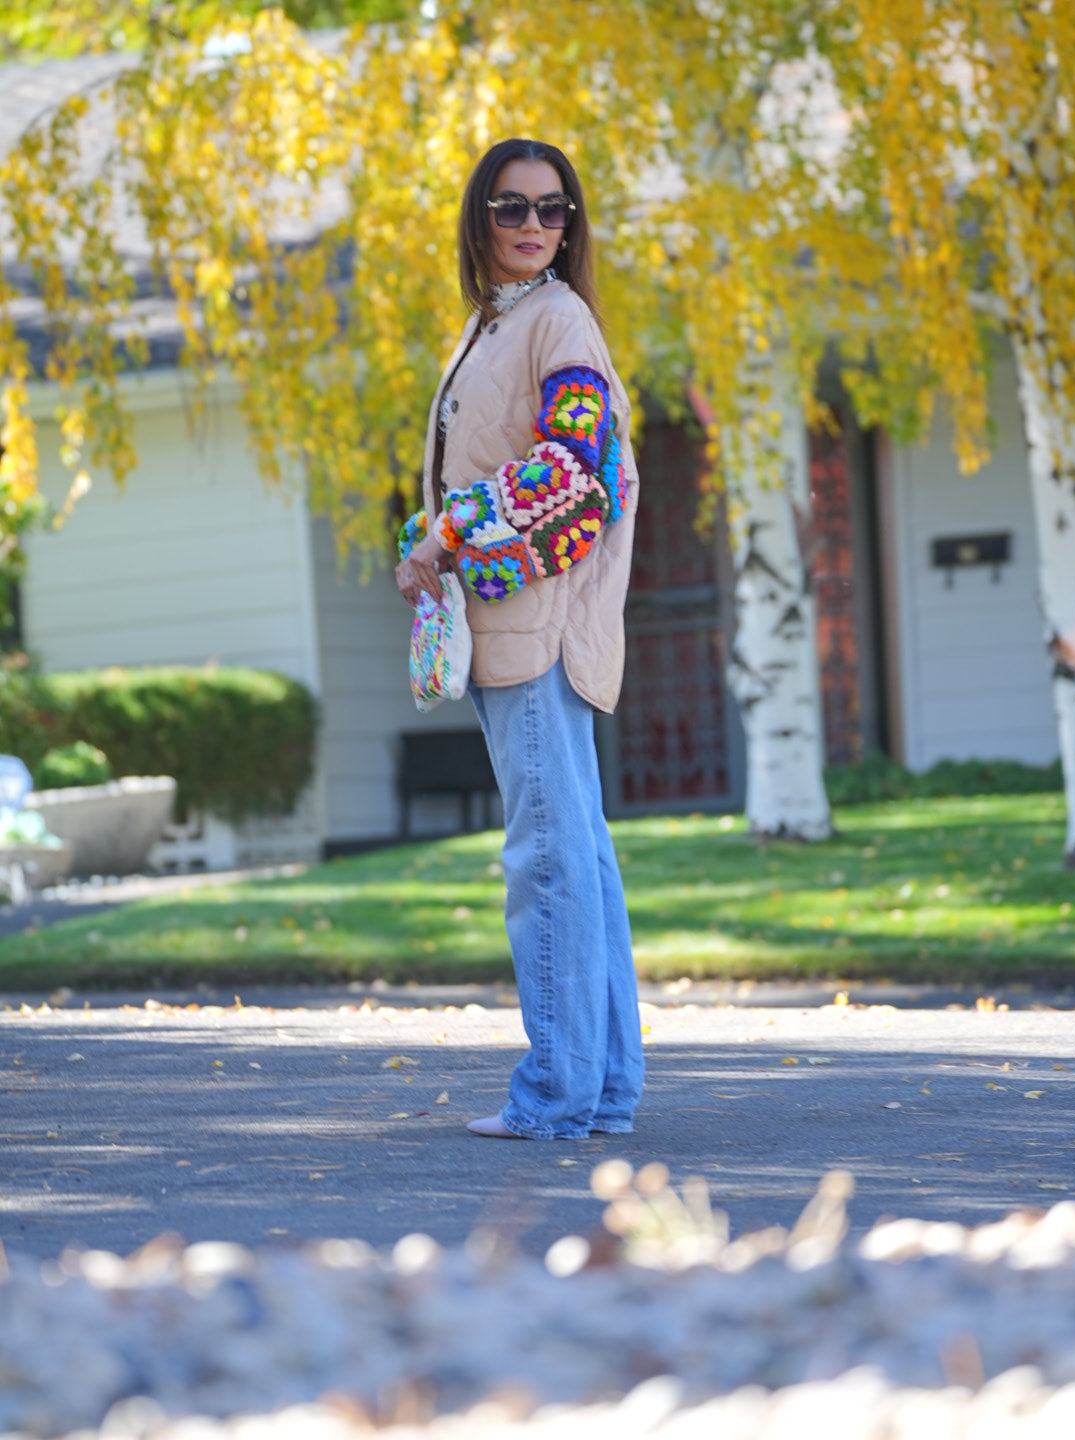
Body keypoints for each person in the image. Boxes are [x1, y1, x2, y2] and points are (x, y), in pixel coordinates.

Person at [395, 138, 643, 1140]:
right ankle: (605, 1091)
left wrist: (450, 535)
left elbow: (578, 472)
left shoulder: (557, 321)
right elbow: (506, 469)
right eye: (510, 207)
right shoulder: (494, 326)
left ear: (570, 225)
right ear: (478, 218)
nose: (533, 224)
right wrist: (431, 543)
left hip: (536, 637)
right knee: (577, 858)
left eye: (552, 210)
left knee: (545, 862)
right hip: (515, 629)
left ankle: (556, 1095)